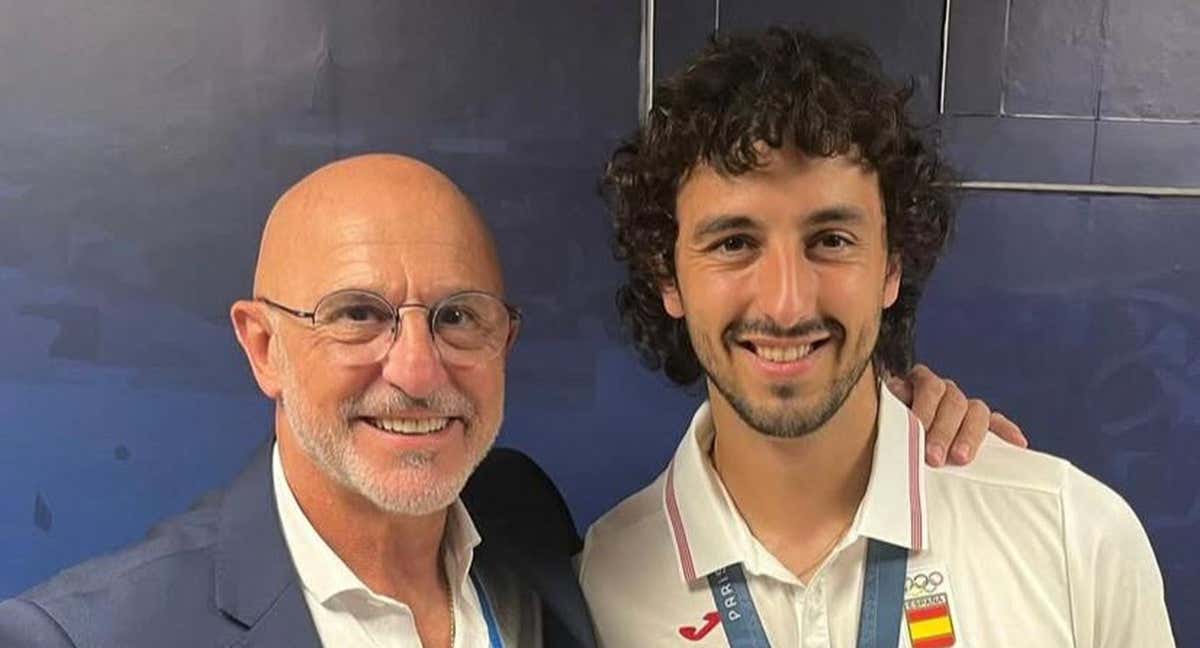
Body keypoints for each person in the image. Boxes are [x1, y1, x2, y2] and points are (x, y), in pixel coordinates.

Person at [0, 154, 1015, 648]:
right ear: (263, 345)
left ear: (505, 340)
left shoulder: (533, 533)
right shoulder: (79, 638)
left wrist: (894, 431)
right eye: (357, 314)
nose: (415, 368)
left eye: (458, 316)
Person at [580, 26, 1174, 647]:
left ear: (891, 265)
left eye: (831, 240)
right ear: (667, 277)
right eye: (734, 243)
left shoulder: (1072, 536)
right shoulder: (599, 589)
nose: (787, 304)